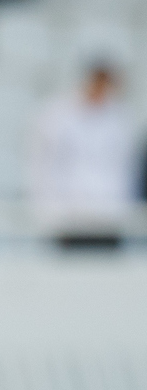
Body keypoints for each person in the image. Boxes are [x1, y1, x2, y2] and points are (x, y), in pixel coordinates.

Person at [30, 62, 136, 250]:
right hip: (69, 218)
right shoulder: (57, 115)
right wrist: (49, 210)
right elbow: (44, 164)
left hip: (108, 218)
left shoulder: (120, 118)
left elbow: (124, 169)